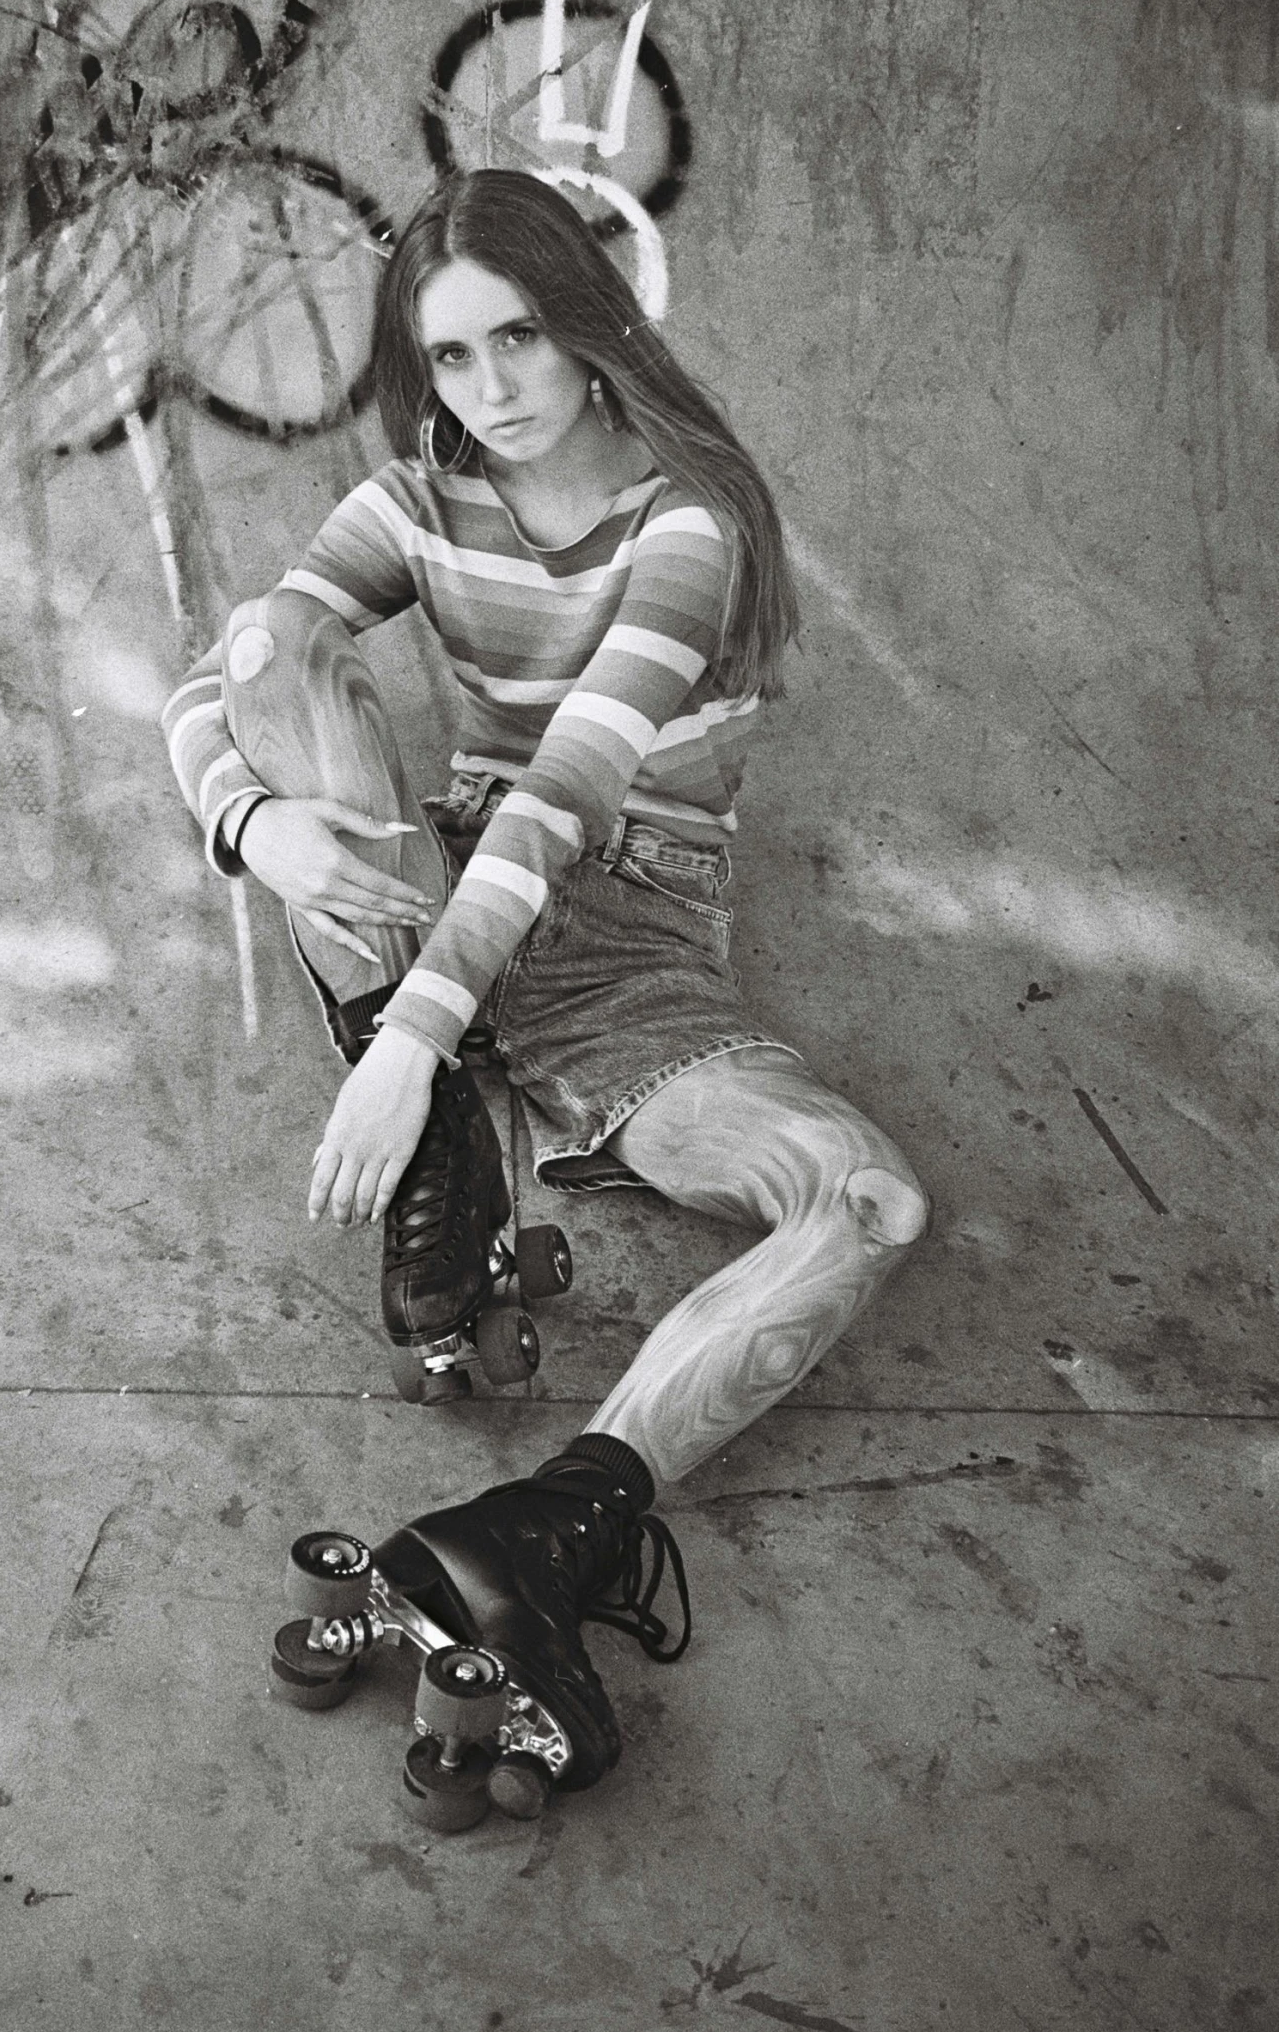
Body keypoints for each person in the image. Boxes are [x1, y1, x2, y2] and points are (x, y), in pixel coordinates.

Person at [162, 170, 929, 1794]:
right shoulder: (418, 501)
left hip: (622, 936)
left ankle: (548, 1522)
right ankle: (455, 1130)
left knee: (862, 1200)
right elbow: (226, 673)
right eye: (450, 358)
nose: (493, 389)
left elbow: (575, 788)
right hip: (434, 885)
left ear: (590, 327)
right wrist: (257, 831)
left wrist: (410, 1034)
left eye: (521, 337)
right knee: (277, 644)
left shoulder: (688, 525)